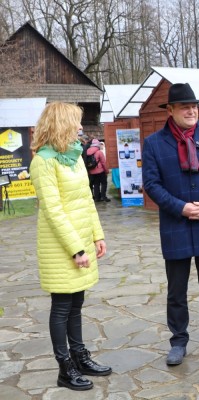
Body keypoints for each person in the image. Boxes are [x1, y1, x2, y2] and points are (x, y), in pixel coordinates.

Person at [142, 83, 199, 365]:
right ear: (170, 110)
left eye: (194, 106)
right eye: (185, 106)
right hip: (175, 225)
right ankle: (178, 341)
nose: (192, 110)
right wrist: (180, 208)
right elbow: (152, 185)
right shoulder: (154, 143)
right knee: (176, 290)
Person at [29, 102, 112, 391]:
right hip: (61, 246)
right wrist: (76, 249)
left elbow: (87, 201)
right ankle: (65, 368)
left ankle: (79, 356)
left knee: (77, 303)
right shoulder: (43, 161)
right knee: (62, 306)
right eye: (76, 122)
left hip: (80, 241)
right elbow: (52, 210)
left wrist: (97, 236)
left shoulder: (73, 156)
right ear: (61, 124)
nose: (80, 128)